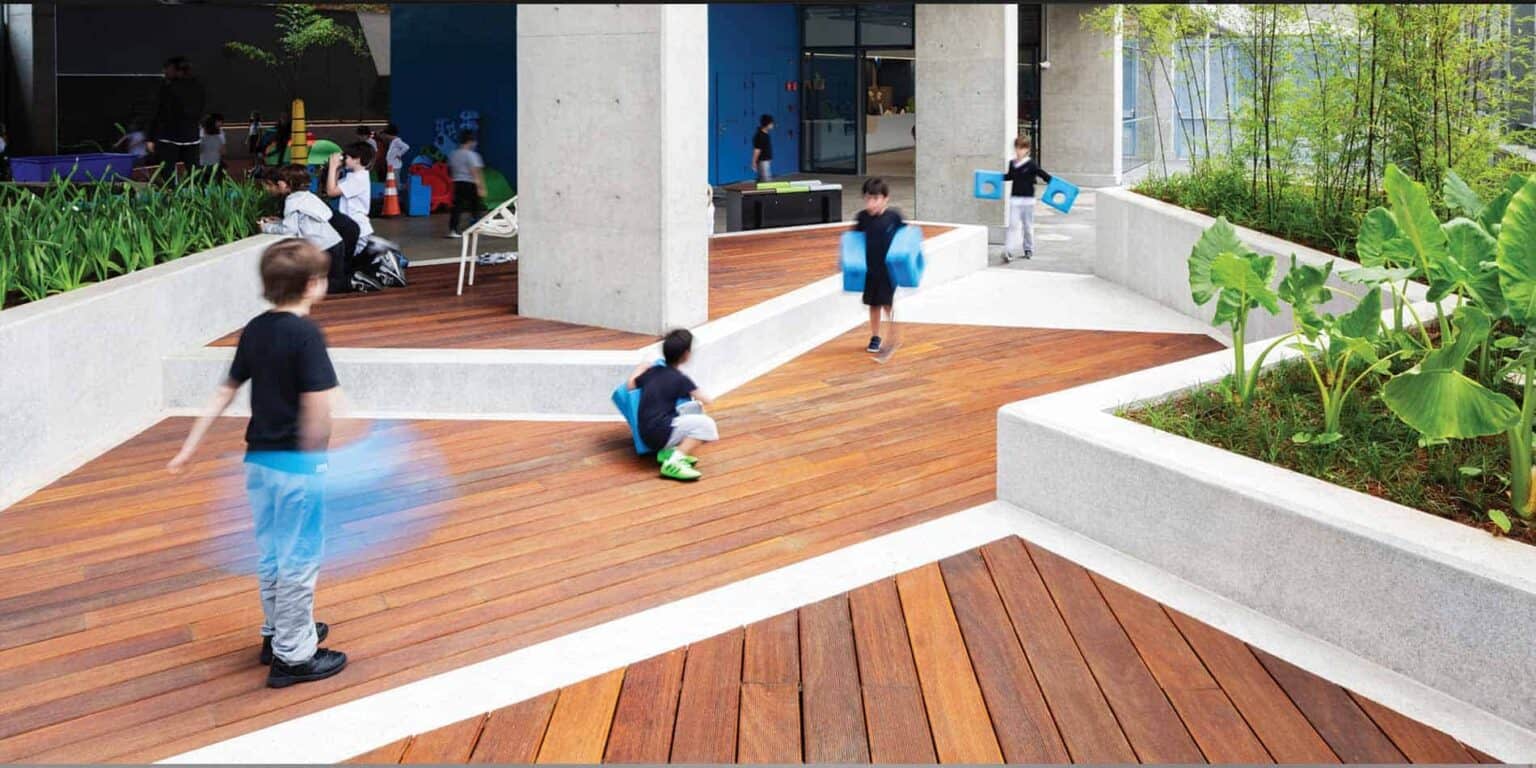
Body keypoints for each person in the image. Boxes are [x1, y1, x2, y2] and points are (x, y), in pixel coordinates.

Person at [166, 238, 349, 689]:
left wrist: (191, 444)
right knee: (300, 559)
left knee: (271, 554)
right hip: (296, 468)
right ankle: (294, 656)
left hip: (259, 464)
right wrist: (322, 460)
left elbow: (225, 390)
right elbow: (318, 406)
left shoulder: (255, 328)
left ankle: (278, 634)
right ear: (312, 285)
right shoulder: (306, 335)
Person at [627, 329, 718, 482]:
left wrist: (643, 366)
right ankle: (674, 461)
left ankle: (666, 452)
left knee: (692, 409)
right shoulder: (680, 379)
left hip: (647, 432)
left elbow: (630, 385)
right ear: (686, 354)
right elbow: (707, 399)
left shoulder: (653, 371)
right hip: (660, 433)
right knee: (707, 425)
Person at [259, 165, 349, 294]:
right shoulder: (306, 196)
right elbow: (302, 220)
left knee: (328, 285)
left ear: (282, 184)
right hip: (335, 242)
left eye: (269, 185)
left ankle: (355, 281)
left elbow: (289, 229)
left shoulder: (291, 201)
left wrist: (266, 227)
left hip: (323, 247)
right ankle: (356, 280)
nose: (268, 189)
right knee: (335, 280)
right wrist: (278, 221)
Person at [855, 177, 904, 360]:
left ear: (885, 198)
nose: (871, 203)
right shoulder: (862, 218)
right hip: (870, 270)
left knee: (886, 303)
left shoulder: (894, 217)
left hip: (888, 271)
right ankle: (875, 336)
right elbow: (854, 243)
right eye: (867, 199)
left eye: (875, 199)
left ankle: (893, 334)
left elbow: (905, 239)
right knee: (873, 304)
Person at [147, 56, 205, 177]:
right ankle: (199, 194)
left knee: (168, 171)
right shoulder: (198, 87)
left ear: (176, 70)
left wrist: (151, 138)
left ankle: (171, 194)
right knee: (195, 171)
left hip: (170, 136)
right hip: (191, 136)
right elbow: (201, 110)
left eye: (167, 69)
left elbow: (159, 114)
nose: (164, 71)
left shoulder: (167, 89)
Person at [1002, 136, 1053, 262]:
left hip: (1028, 200)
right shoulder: (1012, 163)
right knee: (1013, 225)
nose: (1019, 150)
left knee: (1027, 226)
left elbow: (1043, 174)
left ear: (1027, 149)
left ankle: (1028, 248)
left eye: (1022, 148)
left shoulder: (1031, 164)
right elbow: (1009, 176)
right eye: (1018, 147)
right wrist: (996, 178)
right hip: (1015, 199)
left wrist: (1054, 182)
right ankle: (1008, 250)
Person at [325, 141, 376, 256]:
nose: (344, 159)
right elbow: (333, 186)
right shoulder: (354, 176)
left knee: (347, 262)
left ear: (357, 159)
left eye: (346, 157)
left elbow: (331, 192)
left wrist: (332, 167)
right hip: (351, 225)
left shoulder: (358, 178)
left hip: (357, 228)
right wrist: (337, 169)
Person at [446, 130, 486, 239]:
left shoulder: (453, 154)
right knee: (475, 207)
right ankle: (474, 227)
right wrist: (480, 187)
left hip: (457, 183)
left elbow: (449, 170)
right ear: (470, 141)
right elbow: (475, 172)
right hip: (470, 184)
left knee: (457, 207)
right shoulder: (472, 155)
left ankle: (453, 230)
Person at [752, 114, 774, 182]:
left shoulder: (766, 134)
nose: (772, 125)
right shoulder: (760, 136)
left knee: (762, 180)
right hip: (762, 161)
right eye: (771, 123)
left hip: (765, 161)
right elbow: (757, 150)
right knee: (766, 181)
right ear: (767, 124)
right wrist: (753, 162)